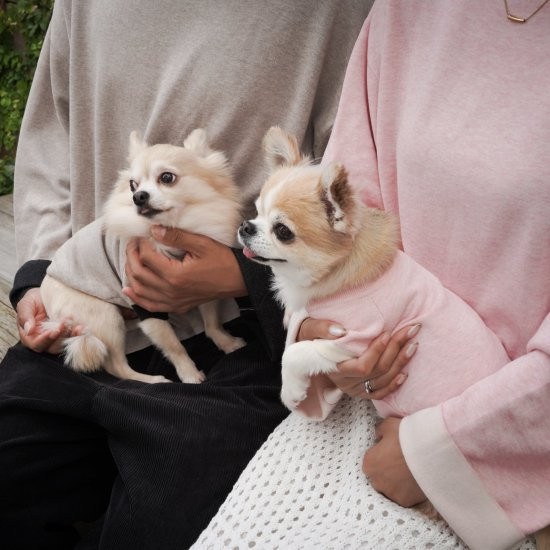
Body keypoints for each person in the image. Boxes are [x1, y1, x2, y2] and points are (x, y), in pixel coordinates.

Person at [0, 1, 382, 548]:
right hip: (83, 308)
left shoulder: (339, 13)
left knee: (164, 525)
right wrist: (40, 276)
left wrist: (241, 278)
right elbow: (50, 141)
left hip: (249, 334)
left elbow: (357, 193)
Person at [194, 1, 550, 549]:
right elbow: (345, 207)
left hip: (514, 445)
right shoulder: (409, 11)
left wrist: (436, 454)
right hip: (359, 401)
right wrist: (315, 331)